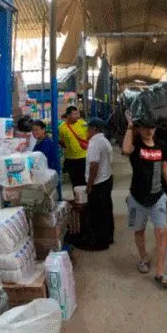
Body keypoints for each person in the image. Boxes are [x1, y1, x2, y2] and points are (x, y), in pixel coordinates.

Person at [122, 111, 167, 287]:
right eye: (145, 127)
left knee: (161, 231)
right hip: (136, 196)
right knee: (139, 230)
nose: (149, 131)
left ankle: (160, 273)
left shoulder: (160, 145)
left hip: (158, 195)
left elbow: (164, 167)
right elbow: (124, 149)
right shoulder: (135, 145)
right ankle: (144, 257)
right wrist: (130, 126)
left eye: (152, 127)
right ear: (139, 128)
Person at [84, 117, 114, 250]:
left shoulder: (94, 143)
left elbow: (93, 166)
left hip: (98, 183)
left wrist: (89, 185)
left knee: (97, 213)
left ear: (94, 129)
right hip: (106, 179)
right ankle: (108, 237)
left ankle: (99, 242)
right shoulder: (105, 140)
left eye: (88, 128)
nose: (87, 131)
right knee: (106, 210)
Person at [57, 106, 89, 190]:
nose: (77, 115)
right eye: (74, 114)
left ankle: (86, 200)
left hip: (84, 157)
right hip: (71, 159)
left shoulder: (82, 123)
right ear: (68, 116)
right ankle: (78, 199)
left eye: (77, 113)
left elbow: (89, 136)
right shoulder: (62, 128)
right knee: (75, 182)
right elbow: (61, 142)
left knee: (85, 180)